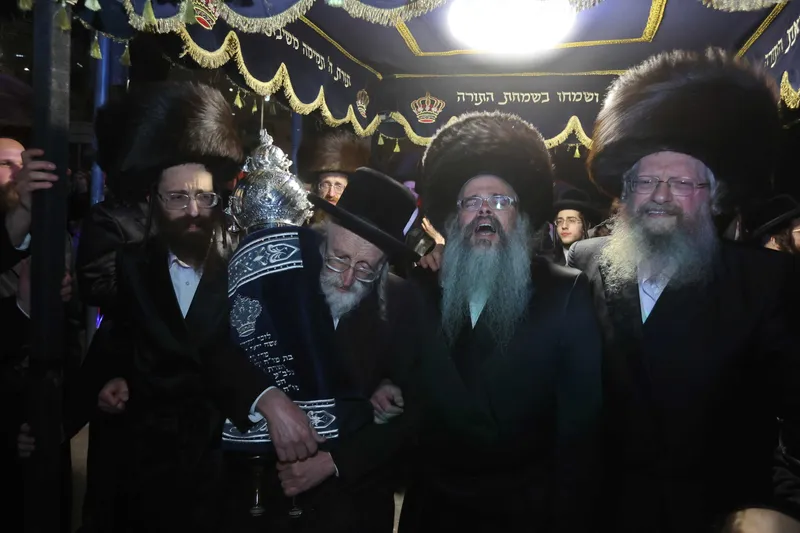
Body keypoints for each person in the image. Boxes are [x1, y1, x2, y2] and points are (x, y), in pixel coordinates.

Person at [568, 48, 800, 533]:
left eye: (680, 182)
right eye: (645, 180)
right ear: (624, 193)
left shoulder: (765, 281)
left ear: (714, 195)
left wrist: (782, 505)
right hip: (600, 510)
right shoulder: (584, 260)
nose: (660, 195)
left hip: (714, 515)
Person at [397, 111, 603, 533]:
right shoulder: (421, 288)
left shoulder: (566, 292)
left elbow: (580, 429)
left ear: (520, 216)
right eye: (471, 202)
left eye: (500, 201)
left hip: (525, 512)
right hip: (434, 509)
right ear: (455, 217)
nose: (485, 212)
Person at [551, 187, 601, 265]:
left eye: (571, 220)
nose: (564, 226)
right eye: (559, 221)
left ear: (587, 225)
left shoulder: (599, 261)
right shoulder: (547, 263)